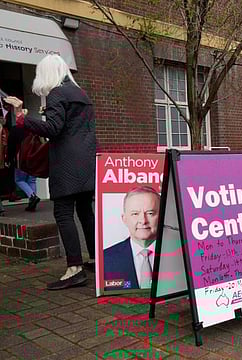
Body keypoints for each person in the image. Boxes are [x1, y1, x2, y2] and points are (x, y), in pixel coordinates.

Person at [5, 54, 97, 289]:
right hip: (87, 160)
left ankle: (75, 269)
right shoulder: (81, 94)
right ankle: (96, 260)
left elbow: (54, 129)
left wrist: (22, 117)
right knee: (86, 210)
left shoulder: (57, 93)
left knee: (63, 213)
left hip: (66, 163)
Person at [104, 186, 160, 290]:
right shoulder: (105, 259)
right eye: (135, 214)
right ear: (124, 219)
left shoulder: (181, 256)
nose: (143, 220)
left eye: (150, 213)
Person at [7, 116, 41, 212]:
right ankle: (32, 202)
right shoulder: (34, 129)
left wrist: (8, 159)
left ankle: (32, 196)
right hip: (34, 156)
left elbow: (11, 146)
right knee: (32, 180)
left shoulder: (15, 129)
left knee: (19, 179)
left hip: (21, 157)